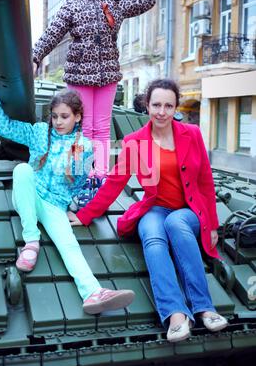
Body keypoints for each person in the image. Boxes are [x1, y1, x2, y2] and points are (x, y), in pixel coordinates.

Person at [68, 79, 228, 340]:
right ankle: (175, 314)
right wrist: (84, 214)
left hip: (188, 211)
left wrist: (212, 225)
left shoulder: (193, 134)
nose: (161, 111)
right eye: (156, 105)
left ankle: (204, 308)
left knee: (176, 223)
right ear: (147, 105)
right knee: (153, 236)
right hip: (155, 209)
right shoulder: (135, 141)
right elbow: (115, 182)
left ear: (176, 107)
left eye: (168, 105)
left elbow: (205, 182)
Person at [0, 77, 135, 315]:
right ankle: (31, 243)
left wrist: (76, 208)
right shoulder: (39, 132)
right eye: (55, 116)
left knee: (69, 245)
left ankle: (93, 293)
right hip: (28, 195)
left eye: (65, 116)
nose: (58, 121)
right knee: (22, 170)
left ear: (77, 117)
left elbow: (79, 187)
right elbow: (5, 127)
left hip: (55, 205)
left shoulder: (84, 146)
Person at [32, 0, 156, 203]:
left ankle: (99, 175)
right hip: (79, 75)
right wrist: (35, 56)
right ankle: (83, 174)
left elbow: (147, 0)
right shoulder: (72, 5)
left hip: (107, 74)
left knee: (101, 128)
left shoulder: (115, 2)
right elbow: (53, 32)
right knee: (84, 127)